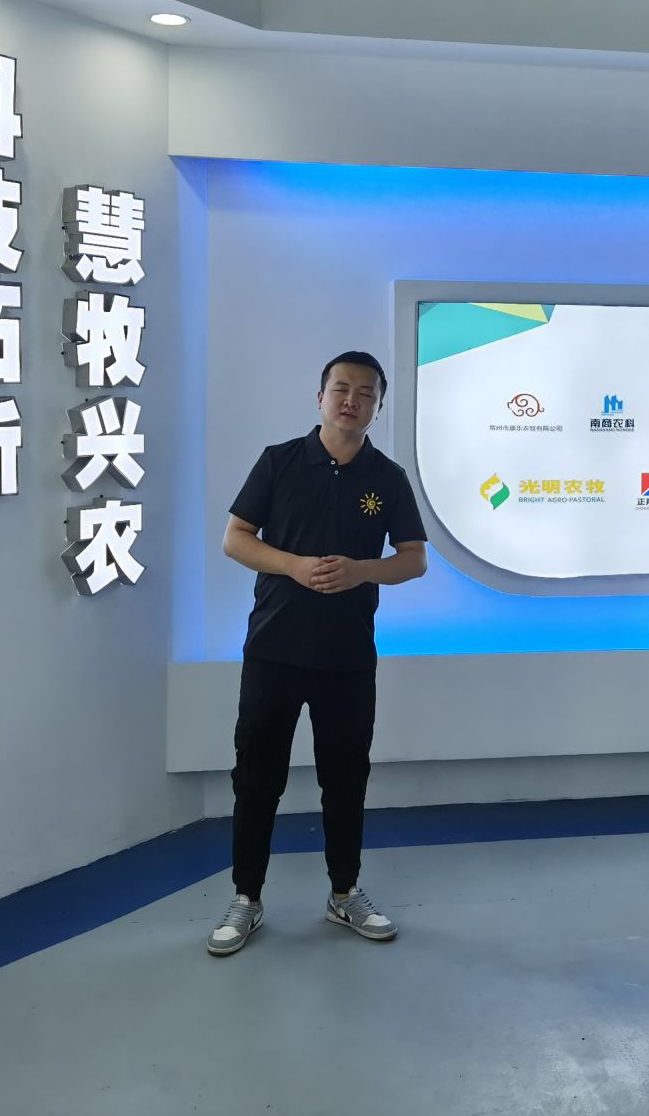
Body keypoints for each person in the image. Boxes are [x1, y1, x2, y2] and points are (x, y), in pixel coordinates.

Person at [208, 351, 428, 957]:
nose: (351, 400)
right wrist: (294, 566)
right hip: (274, 648)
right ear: (321, 396)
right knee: (257, 778)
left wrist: (361, 570)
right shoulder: (279, 461)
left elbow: (414, 559)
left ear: (378, 405)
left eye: (365, 392)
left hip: (347, 656)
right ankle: (247, 897)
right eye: (341, 388)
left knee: (345, 779)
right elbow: (235, 539)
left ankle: (344, 893)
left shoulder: (387, 477)